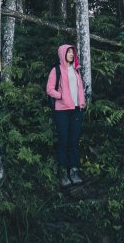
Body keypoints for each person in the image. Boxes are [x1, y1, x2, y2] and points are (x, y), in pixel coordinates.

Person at [46, 44, 86, 187]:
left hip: (76, 110)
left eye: (72, 52)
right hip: (62, 111)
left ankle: (74, 171)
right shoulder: (56, 70)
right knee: (63, 140)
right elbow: (49, 89)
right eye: (68, 52)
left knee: (74, 141)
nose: (71, 54)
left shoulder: (76, 71)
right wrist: (61, 95)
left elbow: (80, 89)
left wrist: (82, 103)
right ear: (62, 54)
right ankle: (63, 172)